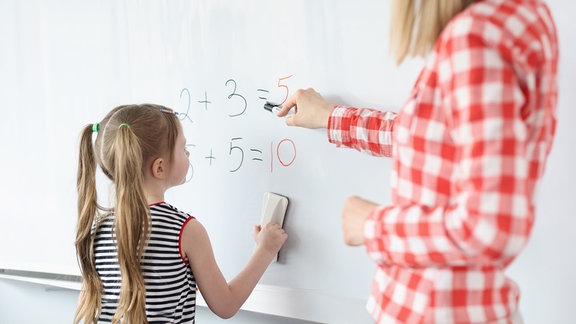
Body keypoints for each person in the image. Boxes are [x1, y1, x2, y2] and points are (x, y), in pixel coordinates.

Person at [277, 0, 558, 323]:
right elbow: (436, 137)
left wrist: (372, 226)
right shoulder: (522, 17)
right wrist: (332, 118)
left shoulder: (475, 38)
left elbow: (489, 227)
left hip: (439, 311)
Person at [74, 104, 287, 323]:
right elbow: (226, 304)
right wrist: (266, 250)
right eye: (182, 147)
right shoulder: (184, 230)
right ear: (159, 168)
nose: (188, 152)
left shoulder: (96, 231)